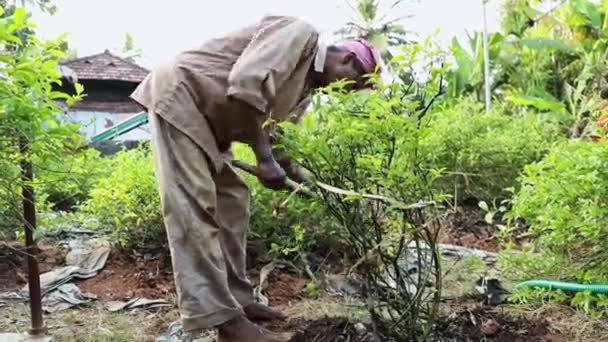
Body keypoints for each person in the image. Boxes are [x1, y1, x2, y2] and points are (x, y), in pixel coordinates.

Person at [130, 15, 381, 342]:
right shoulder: (301, 35)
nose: (345, 93)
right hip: (181, 98)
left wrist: (303, 181)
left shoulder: (305, 90)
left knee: (233, 203)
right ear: (347, 59)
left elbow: (276, 138)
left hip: (211, 127)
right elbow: (247, 82)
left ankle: (239, 299)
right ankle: (225, 322)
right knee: (194, 208)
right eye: (353, 84)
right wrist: (263, 160)